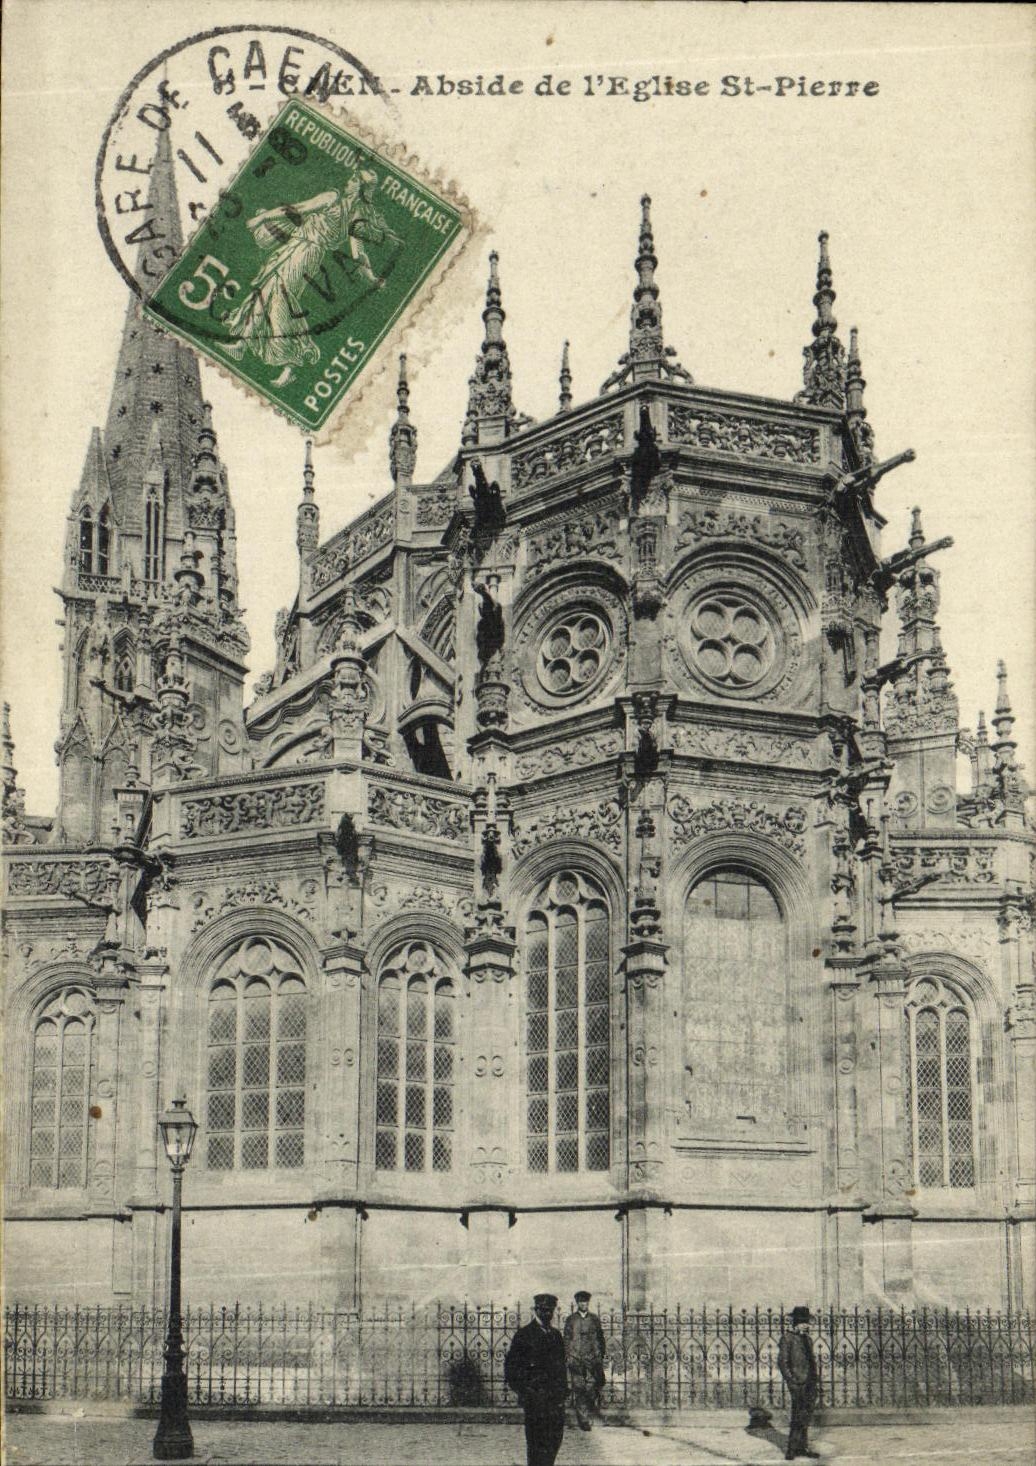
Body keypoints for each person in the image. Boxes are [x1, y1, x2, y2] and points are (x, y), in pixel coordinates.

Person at [223, 168, 400, 385]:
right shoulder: (357, 216)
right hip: (303, 251)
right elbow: (358, 254)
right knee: (268, 291)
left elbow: (297, 209)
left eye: (354, 179)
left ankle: (290, 358)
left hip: (303, 250)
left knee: (278, 296)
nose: (349, 180)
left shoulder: (333, 198)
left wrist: (263, 217)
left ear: (360, 187)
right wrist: (371, 277)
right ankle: (245, 343)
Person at [505, 1293, 568, 1466]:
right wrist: (525, 1391)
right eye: (543, 1310)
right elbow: (511, 1368)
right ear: (536, 1310)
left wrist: (563, 1393)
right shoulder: (524, 1335)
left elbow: (561, 1368)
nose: (547, 1314)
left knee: (554, 1441)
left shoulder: (556, 1335)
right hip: (535, 1400)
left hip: (555, 1400)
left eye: (550, 1311)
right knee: (536, 1444)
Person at [777, 1305, 821, 1460]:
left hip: (810, 1382)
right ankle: (791, 1448)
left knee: (806, 1416)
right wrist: (792, 1381)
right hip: (798, 1383)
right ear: (796, 1323)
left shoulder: (807, 1339)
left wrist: (815, 1379)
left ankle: (803, 1447)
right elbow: (783, 1362)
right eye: (804, 1323)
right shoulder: (787, 1338)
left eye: (807, 1323)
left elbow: (811, 1361)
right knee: (797, 1415)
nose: (807, 1326)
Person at [562, 1290, 606, 1431]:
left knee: (594, 1385)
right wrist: (569, 1355)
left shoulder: (594, 1319)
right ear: (577, 1303)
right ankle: (584, 1420)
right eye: (581, 1302)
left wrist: (600, 1355)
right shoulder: (571, 1320)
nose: (583, 1304)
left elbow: (600, 1338)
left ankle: (587, 1408)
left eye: (585, 1302)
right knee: (579, 1388)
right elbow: (566, 1339)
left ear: (588, 1303)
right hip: (576, 1359)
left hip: (592, 1359)